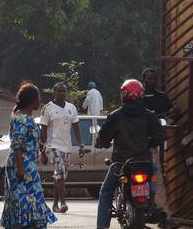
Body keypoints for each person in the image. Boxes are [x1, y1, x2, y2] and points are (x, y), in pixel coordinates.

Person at [95, 79, 165, 229]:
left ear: (124, 95)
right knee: (154, 184)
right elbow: (160, 136)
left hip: (121, 163)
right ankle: (154, 208)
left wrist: (103, 143)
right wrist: (148, 143)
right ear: (141, 94)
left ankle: (102, 226)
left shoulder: (116, 116)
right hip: (144, 161)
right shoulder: (149, 115)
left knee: (106, 191)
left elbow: (104, 137)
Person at [0, 83, 57, 228]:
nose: (40, 101)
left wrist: (42, 153)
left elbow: (31, 142)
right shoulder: (21, 119)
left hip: (27, 164)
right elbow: (17, 144)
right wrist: (20, 168)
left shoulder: (27, 118)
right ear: (33, 100)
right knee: (26, 199)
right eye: (39, 98)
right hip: (22, 166)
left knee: (31, 199)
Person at [40, 82, 85, 213]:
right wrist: (42, 150)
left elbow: (76, 126)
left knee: (60, 176)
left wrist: (81, 143)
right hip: (53, 145)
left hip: (66, 146)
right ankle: (63, 203)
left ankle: (54, 204)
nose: (62, 93)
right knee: (59, 172)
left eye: (64, 91)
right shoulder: (47, 108)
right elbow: (44, 129)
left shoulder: (71, 107)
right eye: (59, 91)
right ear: (54, 92)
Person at [141, 68, 178, 227]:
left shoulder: (162, 98)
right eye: (149, 78)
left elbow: (173, 112)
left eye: (154, 78)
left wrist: (170, 116)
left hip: (156, 145)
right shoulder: (137, 99)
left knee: (157, 181)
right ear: (143, 79)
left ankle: (164, 215)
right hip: (138, 146)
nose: (152, 81)